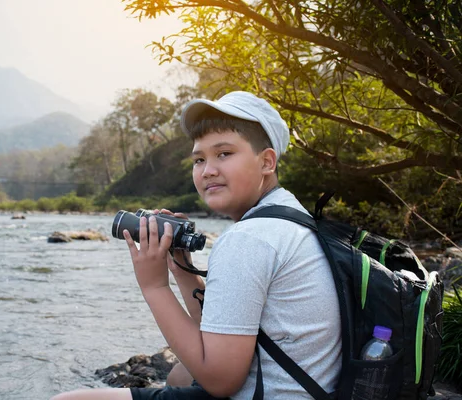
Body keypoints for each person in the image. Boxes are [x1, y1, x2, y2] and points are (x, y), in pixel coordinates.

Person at [50, 91, 342, 400]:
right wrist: (181, 266)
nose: (208, 170)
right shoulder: (292, 218)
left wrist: (154, 286)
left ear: (267, 161)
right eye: (199, 159)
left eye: (224, 154)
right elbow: (221, 331)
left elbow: (220, 380)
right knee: (180, 375)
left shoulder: (248, 240)